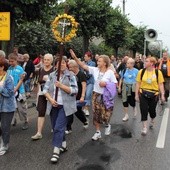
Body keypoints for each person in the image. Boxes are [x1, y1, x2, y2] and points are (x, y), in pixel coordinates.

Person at [70, 49, 117, 141]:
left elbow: (115, 84)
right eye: (98, 61)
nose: (97, 62)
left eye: (99, 61)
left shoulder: (110, 72)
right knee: (96, 114)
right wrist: (75, 57)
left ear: (104, 63)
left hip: (106, 96)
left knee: (105, 115)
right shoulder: (95, 70)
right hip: (96, 94)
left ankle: (107, 124)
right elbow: (83, 65)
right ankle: (97, 132)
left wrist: (106, 84)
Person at [43, 56, 78, 163]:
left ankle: (56, 151)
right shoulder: (51, 75)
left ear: (66, 64)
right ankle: (63, 145)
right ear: (56, 65)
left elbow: (75, 90)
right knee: (55, 127)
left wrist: (61, 86)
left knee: (58, 127)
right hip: (54, 105)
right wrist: (50, 99)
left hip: (65, 106)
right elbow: (45, 90)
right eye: (59, 63)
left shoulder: (70, 75)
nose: (61, 65)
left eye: (63, 63)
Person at [135, 57, 165, 135]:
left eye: (147, 61)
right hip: (143, 93)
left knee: (152, 111)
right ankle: (144, 127)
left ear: (152, 63)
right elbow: (138, 83)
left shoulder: (158, 72)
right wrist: (136, 95)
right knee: (143, 110)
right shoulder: (141, 71)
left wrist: (162, 95)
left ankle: (152, 119)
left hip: (154, 94)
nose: (144, 62)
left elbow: (161, 85)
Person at [31, 54, 55, 140]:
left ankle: (55, 128)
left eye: (48, 60)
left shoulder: (54, 70)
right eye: (45, 59)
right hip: (42, 93)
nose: (46, 61)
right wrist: (37, 95)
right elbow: (38, 82)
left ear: (52, 61)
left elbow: (57, 82)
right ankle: (39, 132)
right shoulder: (40, 69)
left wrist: (48, 79)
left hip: (51, 93)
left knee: (53, 111)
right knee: (41, 111)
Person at [66, 60, 89, 134]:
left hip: (79, 96)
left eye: (70, 67)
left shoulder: (81, 74)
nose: (69, 69)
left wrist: (82, 96)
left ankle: (85, 121)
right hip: (71, 95)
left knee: (77, 111)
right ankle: (68, 128)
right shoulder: (70, 74)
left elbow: (84, 86)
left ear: (75, 67)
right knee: (69, 111)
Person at [8, 53, 28, 130]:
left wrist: (16, 89)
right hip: (11, 92)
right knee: (12, 107)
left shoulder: (19, 69)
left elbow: (21, 80)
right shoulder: (9, 69)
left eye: (12, 61)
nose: (11, 63)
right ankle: (13, 120)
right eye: (10, 61)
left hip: (20, 92)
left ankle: (26, 121)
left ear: (16, 60)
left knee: (22, 108)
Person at [0, 58, 15, 155]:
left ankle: (5, 145)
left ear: (2, 67)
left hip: (6, 107)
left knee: (5, 127)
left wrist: (0, 88)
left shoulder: (9, 77)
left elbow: (10, 93)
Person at [83, 51, 96, 116]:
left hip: (90, 81)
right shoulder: (84, 63)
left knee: (88, 94)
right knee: (84, 94)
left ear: (89, 57)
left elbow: (89, 73)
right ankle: (84, 107)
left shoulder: (92, 63)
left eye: (85, 56)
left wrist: (84, 69)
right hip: (84, 81)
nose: (84, 57)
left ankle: (87, 109)